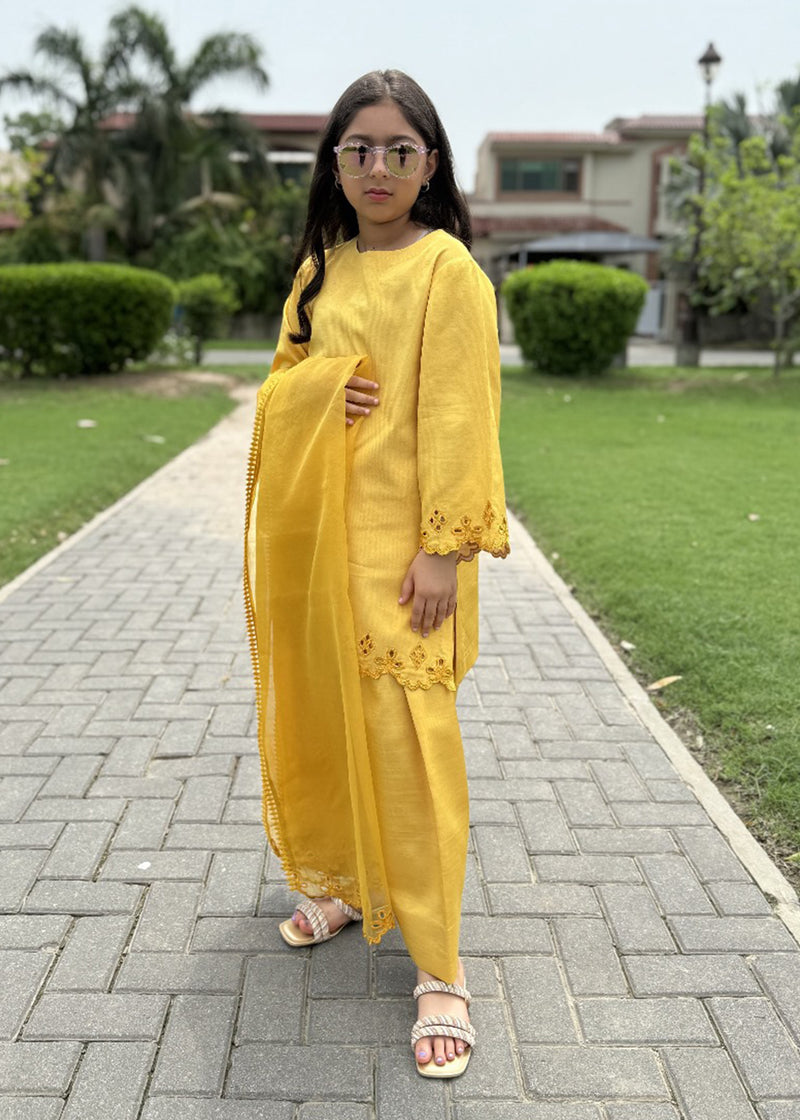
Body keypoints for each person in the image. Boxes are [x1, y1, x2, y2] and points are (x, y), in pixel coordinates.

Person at [244, 69, 509, 1079]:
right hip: (320, 549)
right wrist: (317, 391)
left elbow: (461, 413)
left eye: (400, 149)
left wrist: (443, 551)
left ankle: (440, 966)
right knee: (329, 719)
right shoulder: (320, 274)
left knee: (412, 749)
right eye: (358, 149)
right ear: (335, 164)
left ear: (429, 164)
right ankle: (348, 882)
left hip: (407, 564)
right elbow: (276, 391)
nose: (378, 167)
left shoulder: (448, 273)